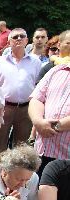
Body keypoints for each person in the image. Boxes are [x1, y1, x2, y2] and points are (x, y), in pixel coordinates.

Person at [0, 29, 42, 160]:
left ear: (26, 41)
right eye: (15, 37)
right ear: (9, 42)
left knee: (22, 147)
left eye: (22, 36)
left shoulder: (36, 62)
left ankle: (19, 175)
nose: (18, 38)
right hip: (4, 108)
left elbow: (38, 85)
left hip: (26, 109)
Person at [28, 39, 70, 174]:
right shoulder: (56, 70)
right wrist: (38, 122)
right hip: (43, 151)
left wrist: (54, 127)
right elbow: (37, 99)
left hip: (67, 154)